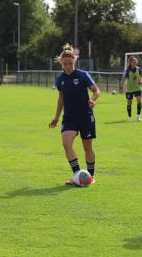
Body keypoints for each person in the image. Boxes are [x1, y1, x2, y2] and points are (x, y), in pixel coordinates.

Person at [49, 44, 100, 185]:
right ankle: (78, 175)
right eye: (65, 64)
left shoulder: (83, 75)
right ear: (61, 63)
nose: (67, 66)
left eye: (70, 63)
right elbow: (61, 99)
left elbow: (97, 91)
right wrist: (56, 117)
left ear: (74, 61)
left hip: (85, 116)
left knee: (87, 148)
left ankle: (91, 176)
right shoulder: (60, 79)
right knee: (66, 144)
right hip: (70, 117)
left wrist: (92, 100)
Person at [120, 56, 142, 121]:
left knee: (139, 101)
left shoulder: (139, 69)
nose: (135, 63)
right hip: (129, 89)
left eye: (136, 62)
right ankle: (129, 117)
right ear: (130, 62)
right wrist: (121, 87)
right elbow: (123, 79)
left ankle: (138, 116)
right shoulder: (127, 70)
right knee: (129, 103)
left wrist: (141, 80)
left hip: (138, 88)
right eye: (134, 62)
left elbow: (141, 76)